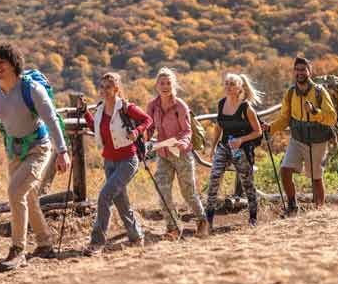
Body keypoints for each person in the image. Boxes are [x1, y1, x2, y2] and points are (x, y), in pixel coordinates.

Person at [0, 43, 70, 272]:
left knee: (15, 191)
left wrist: (63, 152)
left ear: (14, 64)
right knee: (28, 195)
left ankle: (18, 250)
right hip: (13, 150)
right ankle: (45, 244)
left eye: (2, 63)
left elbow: (52, 120)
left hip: (39, 147)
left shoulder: (32, 89)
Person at [79, 72, 152, 255]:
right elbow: (94, 127)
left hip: (128, 160)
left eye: (108, 87)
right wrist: (85, 112)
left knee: (104, 196)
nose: (103, 90)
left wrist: (137, 131)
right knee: (120, 200)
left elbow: (147, 120)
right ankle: (136, 236)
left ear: (117, 89)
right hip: (109, 161)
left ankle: (97, 242)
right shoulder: (100, 109)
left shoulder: (126, 107)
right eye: (102, 87)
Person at [263, 56, 337, 215]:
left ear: (309, 71)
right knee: (285, 170)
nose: (300, 73)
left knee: (315, 177)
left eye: (303, 69)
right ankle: (292, 206)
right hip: (297, 139)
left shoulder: (319, 92)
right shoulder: (290, 93)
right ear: (293, 72)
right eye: (297, 70)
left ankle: (319, 211)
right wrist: (270, 128)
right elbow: (284, 119)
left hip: (317, 140)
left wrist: (315, 112)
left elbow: (332, 117)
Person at [146, 68, 209, 239]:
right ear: (156, 85)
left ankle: (202, 221)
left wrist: (183, 142)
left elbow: (187, 130)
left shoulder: (180, 105)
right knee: (162, 190)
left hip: (182, 154)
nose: (165, 86)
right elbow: (149, 128)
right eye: (162, 83)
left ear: (173, 85)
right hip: (163, 154)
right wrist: (142, 138)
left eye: (168, 83)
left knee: (188, 192)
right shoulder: (153, 106)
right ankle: (173, 228)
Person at [205, 73, 264, 228]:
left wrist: (241, 140)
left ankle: (253, 218)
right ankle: (208, 219)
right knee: (214, 179)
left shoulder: (246, 108)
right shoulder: (221, 103)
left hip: (242, 148)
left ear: (240, 87)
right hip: (224, 146)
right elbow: (218, 126)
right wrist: (212, 148)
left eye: (232, 84)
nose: (228, 87)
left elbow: (258, 131)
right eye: (226, 83)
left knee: (247, 182)